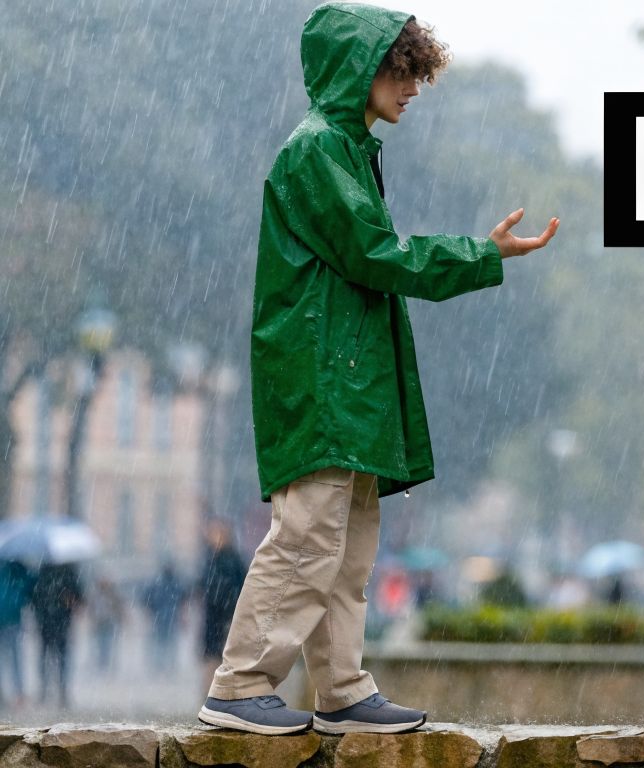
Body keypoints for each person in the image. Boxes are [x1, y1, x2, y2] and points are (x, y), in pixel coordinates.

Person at [198, 2, 557, 736]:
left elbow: (368, 264)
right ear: (358, 71)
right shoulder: (317, 152)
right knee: (308, 537)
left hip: (347, 379)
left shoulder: (347, 149)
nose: (414, 88)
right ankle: (239, 683)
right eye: (402, 71)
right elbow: (376, 256)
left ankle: (341, 688)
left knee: (349, 545)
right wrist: (480, 254)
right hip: (324, 378)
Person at [196, 518, 247, 693]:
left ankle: (225, 695)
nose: (215, 537)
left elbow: (242, 586)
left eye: (218, 533)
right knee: (210, 658)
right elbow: (202, 585)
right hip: (213, 618)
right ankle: (208, 696)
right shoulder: (210, 559)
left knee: (229, 658)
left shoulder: (234, 560)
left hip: (230, 617)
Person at [31, 563, 82, 709]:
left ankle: (56, 692)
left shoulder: (43, 573)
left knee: (53, 658)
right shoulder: (66, 573)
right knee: (57, 658)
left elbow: (33, 598)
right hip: (53, 623)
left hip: (53, 623)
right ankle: (55, 692)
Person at [0, 560, 33, 708]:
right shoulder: (17, 565)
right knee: (15, 658)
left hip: (11, 618)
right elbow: (29, 585)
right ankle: (18, 694)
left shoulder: (15, 566)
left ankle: (17, 694)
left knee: (14, 657)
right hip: (13, 616)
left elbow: (28, 585)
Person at [141, 563, 186, 673]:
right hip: (168, 618)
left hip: (160, 619)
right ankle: (167, 665)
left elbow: (146, 600)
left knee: (161, 643)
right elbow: (182, 601)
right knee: (168, 643)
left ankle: (161, 665)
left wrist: (149, 613)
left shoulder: (157, 584)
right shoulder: (175, 584)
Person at [85, 576, 125, 676]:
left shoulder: (112, 595)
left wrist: (120, 618)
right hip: (99, 622)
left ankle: (106, 663)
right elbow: (91, 609)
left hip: (109, 622)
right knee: (100, 643)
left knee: (108, 643)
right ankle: (101, 663)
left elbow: (118, 607)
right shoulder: (95, 595)